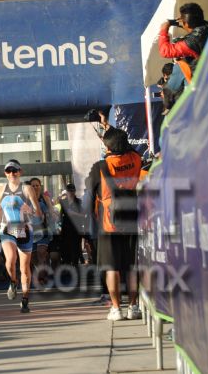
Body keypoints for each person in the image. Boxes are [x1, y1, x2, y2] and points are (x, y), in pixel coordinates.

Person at [86, 112, 142, 321]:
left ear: (107, 147)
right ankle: (134, 307)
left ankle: (116, 309)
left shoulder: (100, 167)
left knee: (112, 267)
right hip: (133, 218)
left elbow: (90, 194)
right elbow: (126, 146)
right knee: (132, 266)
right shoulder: (136, 159)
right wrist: (108, 128)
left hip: (109, 223)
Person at [0, 159, 42, 313]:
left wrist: (30, 211)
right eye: (9, 171)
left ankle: (25, 300)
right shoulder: (0, 190)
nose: (12, 173)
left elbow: (39, 213)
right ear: (5, 173)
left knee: (24, 268)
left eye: (15, 170)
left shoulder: (27, 189)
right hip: (7, 228)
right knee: (10, 260)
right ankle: (13, 281)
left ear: (20, 172)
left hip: (25, 229)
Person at [158, 3, 208, 79]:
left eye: (182, 18)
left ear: (186, 24)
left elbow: (165, 51)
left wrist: (164, 29)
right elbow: (198, 30)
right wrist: (185, 24)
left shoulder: (190, 42)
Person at [29, 178, 55, 286]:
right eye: (33, 186)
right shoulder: (26, 199)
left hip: (44, 230)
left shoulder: (45, 198)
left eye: (37, 185)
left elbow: (52, 213)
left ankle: (42, 278)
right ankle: (45, 271)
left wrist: (49, 214)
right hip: (31, 232)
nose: (35, 187)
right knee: (34, 258)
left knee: (41, 253)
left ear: (40, 186)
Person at [59, 183, 85, 267]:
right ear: (66, 192)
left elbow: (84, 215)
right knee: (66, 247)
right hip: (65, 228)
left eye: (72, 191)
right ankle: (67, 265)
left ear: (75, 191)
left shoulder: (79, 202)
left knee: (76, 247)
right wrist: (59, 226)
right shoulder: (63, 202)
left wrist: (74, 213)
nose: (71, 193)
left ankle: (75, 265)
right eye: (69, 191)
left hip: (76, 228)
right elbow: (61, 215)